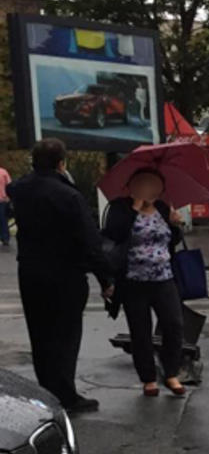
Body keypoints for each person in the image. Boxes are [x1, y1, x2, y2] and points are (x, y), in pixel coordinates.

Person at [8, 139, 113, 414]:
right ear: (61, 163)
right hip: (65, 275)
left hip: (30, 272)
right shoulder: (68, 196)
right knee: (65, 337)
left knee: (40, 335)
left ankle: (47, 392)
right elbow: (89, 240)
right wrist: (106, 278)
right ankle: (66, 395)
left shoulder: (19, 190)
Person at [102, 169, 187, 397]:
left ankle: (171, 372)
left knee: (174, 324)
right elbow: (114, 235)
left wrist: (176, 224)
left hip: (164, 277)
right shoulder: (120, 208)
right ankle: (148, 378)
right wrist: (134, 209)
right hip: (133, 280)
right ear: (132, 186)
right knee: (141, 331)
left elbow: (171, 240)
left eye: (154, 184)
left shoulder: (162, 207)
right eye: (144, 184)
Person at [0, 165, 11, 246]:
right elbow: (9, 185)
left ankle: (4, 237)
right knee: (3, 219)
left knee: (3, 219)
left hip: (3, 199)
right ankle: (5, 238)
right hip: (3, 199)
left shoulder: (3, 172)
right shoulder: (4, 172)